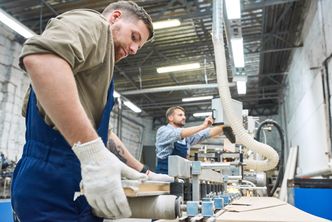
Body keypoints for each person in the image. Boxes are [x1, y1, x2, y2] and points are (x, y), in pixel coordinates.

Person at [11, 1, 171, 221]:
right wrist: (93, 153)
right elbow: (40, 57)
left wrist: (143, 171)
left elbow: (105, 135)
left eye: (139, 47)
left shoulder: (99, 67)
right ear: (115, 17)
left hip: (75, 182)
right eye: (134, 37)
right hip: (48, 181)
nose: (134, 50)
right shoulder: (95, 24)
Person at [155, 106, 235, 174]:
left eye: (184, 115)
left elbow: (206, 133)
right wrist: (203, 126)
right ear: (170, 118)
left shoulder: (186, 138)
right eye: (180, 115)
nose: (184, 117)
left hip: (180, 176)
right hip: (164, 178)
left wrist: (226, 125)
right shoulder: (163, 131)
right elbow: (180, 133)